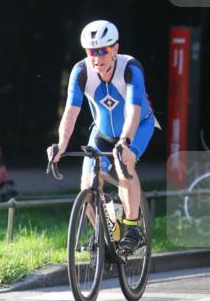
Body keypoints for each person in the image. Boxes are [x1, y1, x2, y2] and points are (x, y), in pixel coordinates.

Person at [47, 20, 160, 254]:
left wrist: (126, 142)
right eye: (91, 52)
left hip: (138, 127)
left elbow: (133, 111)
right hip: (103, 132)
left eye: (102, 51)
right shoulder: (81, 71)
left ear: (115, 49)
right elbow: (71, 112)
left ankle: (132, 227)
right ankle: (103, 235)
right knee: (87, 184)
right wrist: (61, 145)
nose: (97, 58)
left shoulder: (131, 68)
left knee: (124, 163)